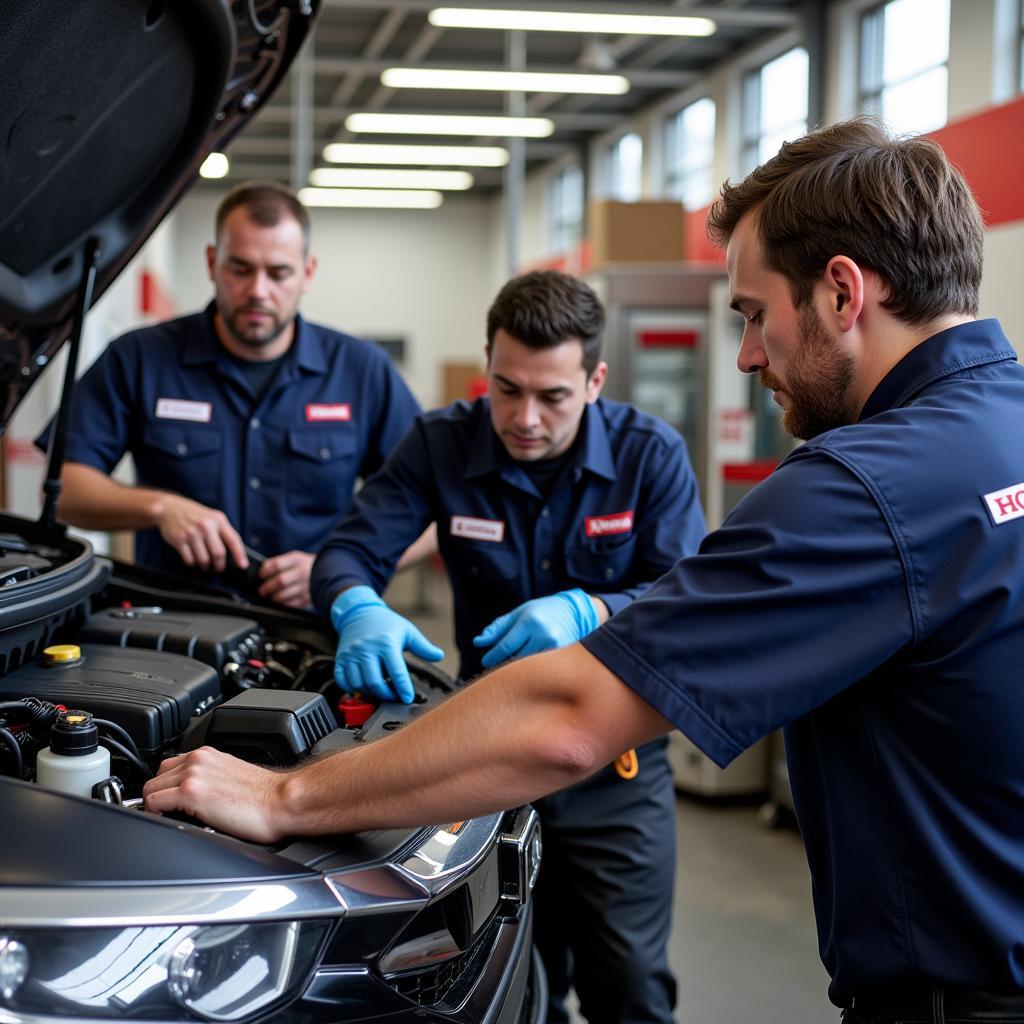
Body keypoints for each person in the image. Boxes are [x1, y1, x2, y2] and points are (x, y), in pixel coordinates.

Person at [144, 118, 1024, 1023]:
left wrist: (284, 795)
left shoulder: (859, 488)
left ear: (843, 292)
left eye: (755, 313)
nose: (750, 353)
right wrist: (359, 601)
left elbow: (570, 718)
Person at [312, 269, 705, 1024]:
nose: (524, 417)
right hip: (487, 762)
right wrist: (358, 605)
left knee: (628, 982)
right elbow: (347, 551)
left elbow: (688, 595)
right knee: (512, 974)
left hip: (611, 769)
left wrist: (593, 606)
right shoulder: (442, 443)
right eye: (506, 388)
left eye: (552, 396)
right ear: (486, 368)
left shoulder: (650, 455)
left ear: (594, 379)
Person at [36, 181, 421, 607]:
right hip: (172, 626)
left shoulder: (362, 371)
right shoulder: (138, 359)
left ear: (307, 273)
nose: (258, 290)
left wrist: (339, 567)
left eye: (278, 273)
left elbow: (431, 513)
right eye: (240, 268)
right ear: (212, 262)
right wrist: (159, 507)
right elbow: (65, 491)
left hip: (313, 631)